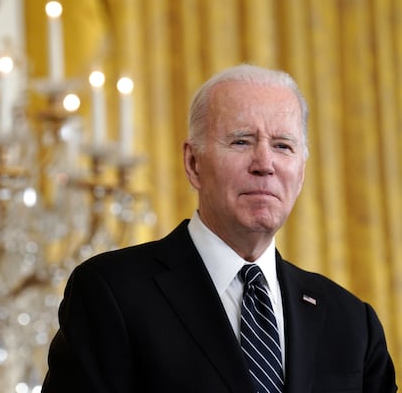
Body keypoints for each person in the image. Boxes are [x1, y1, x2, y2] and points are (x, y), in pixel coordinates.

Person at [41, 64, 397, 392]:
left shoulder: (352, 321)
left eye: (283, 146)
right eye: (241, 141)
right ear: (194, 163)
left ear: (300, 174)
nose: (265, 164)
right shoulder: (111, 293)